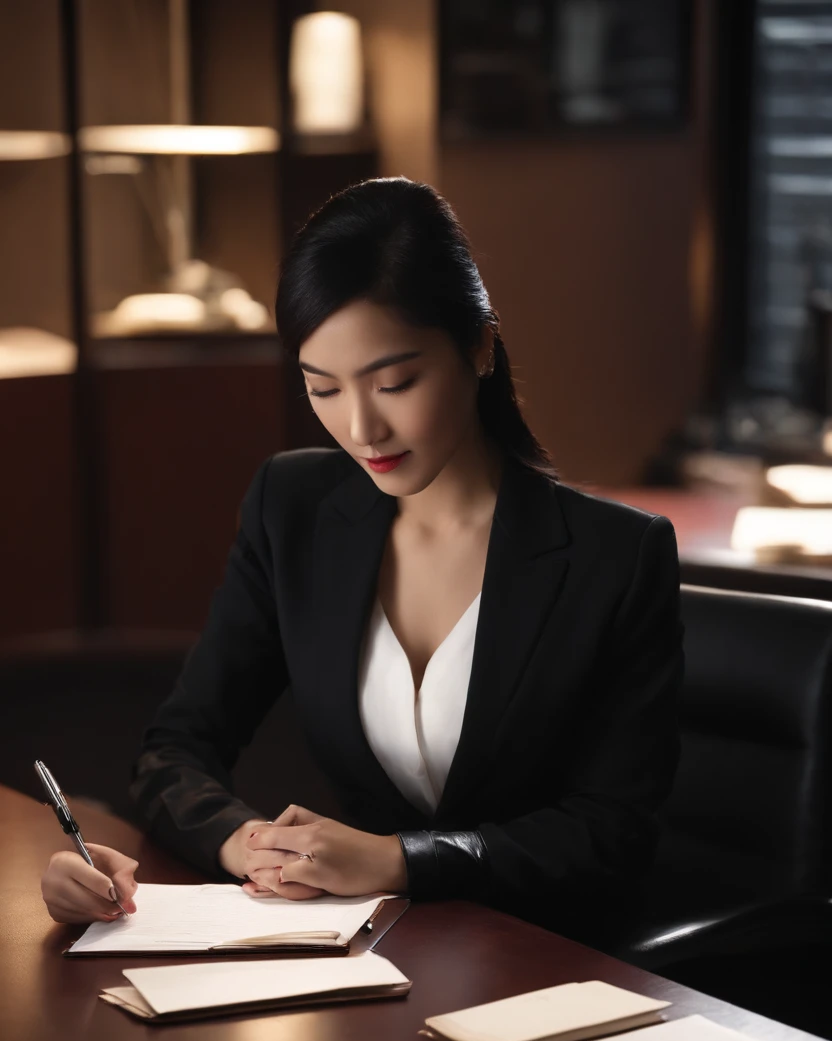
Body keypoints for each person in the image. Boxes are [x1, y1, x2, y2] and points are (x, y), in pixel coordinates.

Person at [40, 176, 684, 948]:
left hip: (547, 963)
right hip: (364, 956)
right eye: (322, 388)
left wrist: (400, 860)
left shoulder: (613, 557)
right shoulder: (295, 508)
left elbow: (611, 832)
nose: (361, 427)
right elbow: (177, 747)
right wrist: (241, 841)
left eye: (395, 382)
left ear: (479, 347)